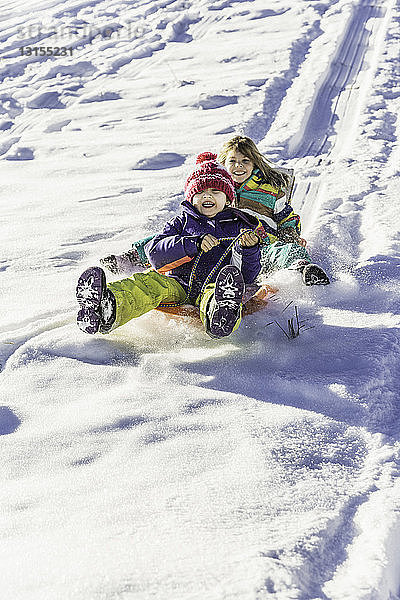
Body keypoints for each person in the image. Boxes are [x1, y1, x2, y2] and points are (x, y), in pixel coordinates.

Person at [76, 153, 263, 339]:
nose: (207, 195)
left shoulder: (240, 226)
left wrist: (249, 249)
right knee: (149, 283)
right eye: (200, 192)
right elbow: (155, 254)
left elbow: (247, 276)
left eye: (215, 191)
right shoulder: (181, 222)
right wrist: (192, 244)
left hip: (215, 284)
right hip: (176, 283)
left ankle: (220, 315)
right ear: (191, 197)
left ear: (228, 198)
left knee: (221, 292)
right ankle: (107, 307)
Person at [101, 136, 329, 286]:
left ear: (255, 163)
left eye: (245, 161)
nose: (239, 166)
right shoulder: (217, 188)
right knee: (170, 238)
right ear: (224, 164)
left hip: (260, 240)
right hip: (219, 239)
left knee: (284, 249)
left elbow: (288, 217)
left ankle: (301, 268)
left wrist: (289, 234)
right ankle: (131, 257)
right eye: (233, 161)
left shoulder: (268, 190)